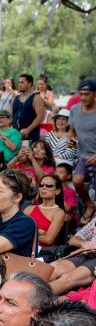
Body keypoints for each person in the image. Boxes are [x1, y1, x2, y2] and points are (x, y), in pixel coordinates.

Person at [69, 78, 96, 222]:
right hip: (83, 155)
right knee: (77, 181)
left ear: (95, 94)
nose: (84, 97)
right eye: (81, 94)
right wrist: (72, 139)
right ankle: (89, 205)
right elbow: (71, 131)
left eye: (87, 94)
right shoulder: (74, 109)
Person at [24, 174, 66, 247]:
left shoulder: (59, 212)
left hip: (42, 254)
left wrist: (26, 233)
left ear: (57, 191)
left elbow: (48, 240)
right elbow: (17, 229)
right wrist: (37, 232)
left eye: (49, 185)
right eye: (41, 185)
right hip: (23, 248)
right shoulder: (29, 208)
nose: (44, 187)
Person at [12, 73, 46, 144]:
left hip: (31, 136)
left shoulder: (36, 98)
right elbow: (10, 116)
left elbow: (40, 117)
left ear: (30, 84)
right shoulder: (15, 99)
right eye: (19, 82)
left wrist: (28, 130)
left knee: (28, 154)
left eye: (22, 82)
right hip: (15, 136)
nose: (19, 84)